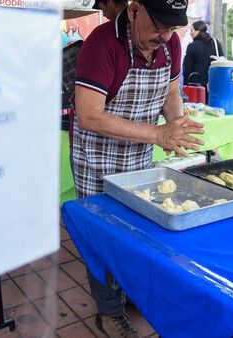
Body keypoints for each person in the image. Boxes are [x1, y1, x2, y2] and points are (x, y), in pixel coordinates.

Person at [72, 0, 203, 337]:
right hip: (97, 159)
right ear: (133, 10)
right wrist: (159, 133)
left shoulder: (171, 43)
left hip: (139, 158)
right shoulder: (101, 44)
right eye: (158, 24)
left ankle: (126, 293)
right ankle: (109, 312)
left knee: (133, 231)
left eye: (172, 27)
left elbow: (171, 91)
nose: (165, 34)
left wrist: (178, 122)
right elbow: (89, 114)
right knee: (102, 238)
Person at [182, 20, 225, 102]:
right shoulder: (216, 43)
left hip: (197, 87)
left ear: (198, 31)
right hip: (214, 85)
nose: (190, 33)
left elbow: (188, 69)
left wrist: (186, 86)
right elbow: (222, 62)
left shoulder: (192, 46)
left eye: (192, 30)